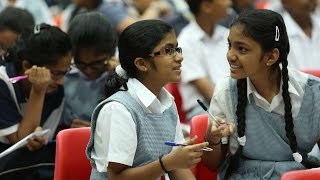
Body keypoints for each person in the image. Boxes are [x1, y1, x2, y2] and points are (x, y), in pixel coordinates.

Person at [202, 9, 320, 180]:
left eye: (241, 49)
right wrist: (212, 137)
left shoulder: (312, 92)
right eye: (230, 45)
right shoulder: (226, 91)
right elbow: (212, 164)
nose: (230, 55)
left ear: (271, 56)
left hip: (298, 175)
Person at [86, 19, 209, 180]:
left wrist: (174, 161)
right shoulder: (118, 109)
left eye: (177, 49)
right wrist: (166, 163)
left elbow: (177, 168)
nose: (179, 57)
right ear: (142, 64)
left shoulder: (167, 103)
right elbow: (117, 178)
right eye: (168, 51)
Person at [0, 23, 72, 179]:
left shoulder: (56, 90)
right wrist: (38, 91)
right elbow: (19, 142)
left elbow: (34, 139)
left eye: (65, 72)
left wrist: (39, 140)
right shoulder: (3, 82)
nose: (60, 82)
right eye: (55, 73)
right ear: (27, 66)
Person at [61, 12, 118, 128]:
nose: (88, 71)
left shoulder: (125, 75)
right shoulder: (62, 74)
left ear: (111, 54)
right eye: (80, 64)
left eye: (96, 64)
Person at [178, 0, 232, 121]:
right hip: (203, 108)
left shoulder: (228, 35)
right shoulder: (185, 42)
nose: (229, 2)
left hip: (233, 102)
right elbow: (208, 92)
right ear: (207, 6)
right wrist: (236, 110)